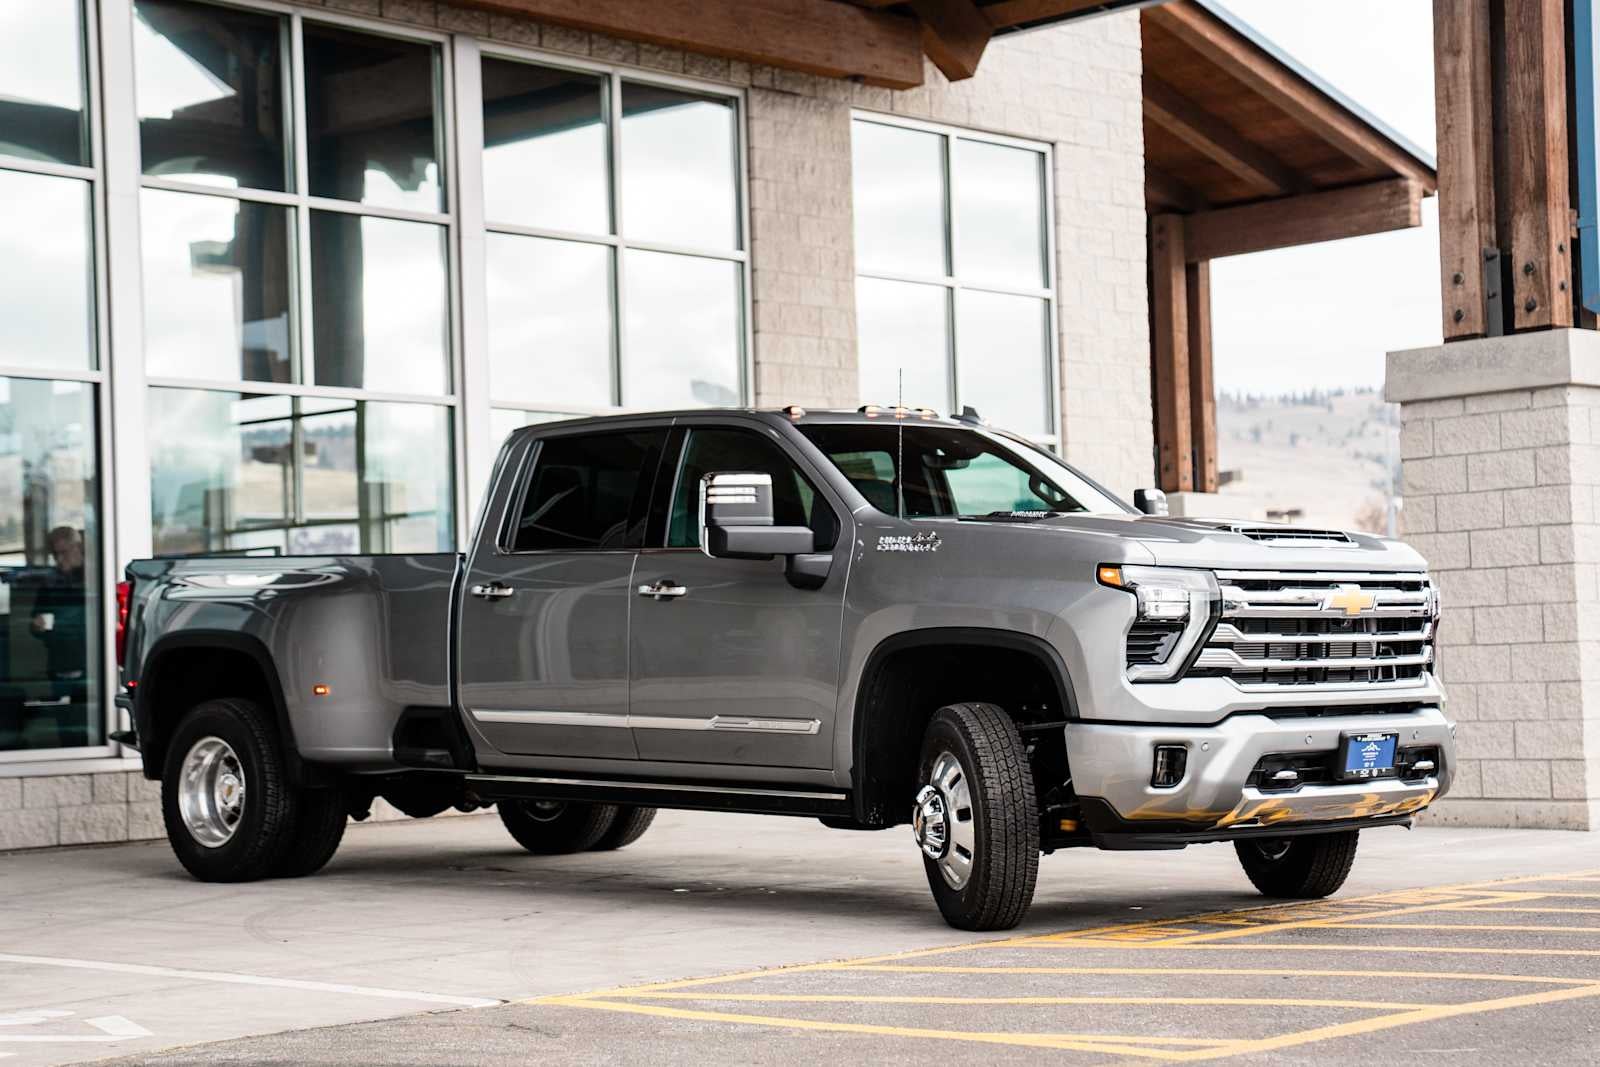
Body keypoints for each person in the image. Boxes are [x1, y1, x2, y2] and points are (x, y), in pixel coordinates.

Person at [31, 526, 89, 689]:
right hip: (58, 662)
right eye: (55, 554)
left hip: (90, 660)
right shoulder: (50, 582)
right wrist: (37, 626)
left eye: (63, 553)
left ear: (77, 548)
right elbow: (35, 622)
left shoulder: (95, 577)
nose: (59, 559)